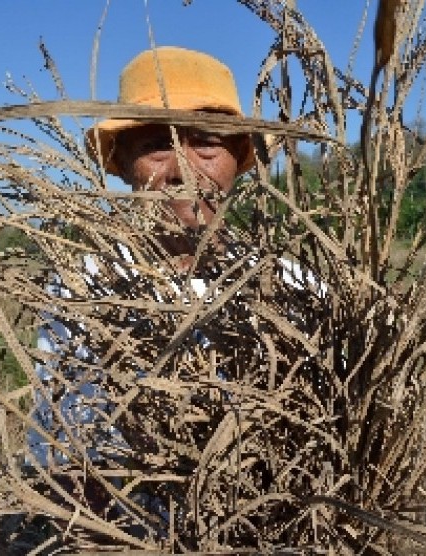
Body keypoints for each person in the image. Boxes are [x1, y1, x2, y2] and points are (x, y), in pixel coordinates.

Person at [28, 49, 324, 530]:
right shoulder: (84, 289)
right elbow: (65, 460)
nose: (183, 171)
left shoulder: (295, 286)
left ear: (239, 158)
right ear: (122, 165)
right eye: (156, 147)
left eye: (206, 144)